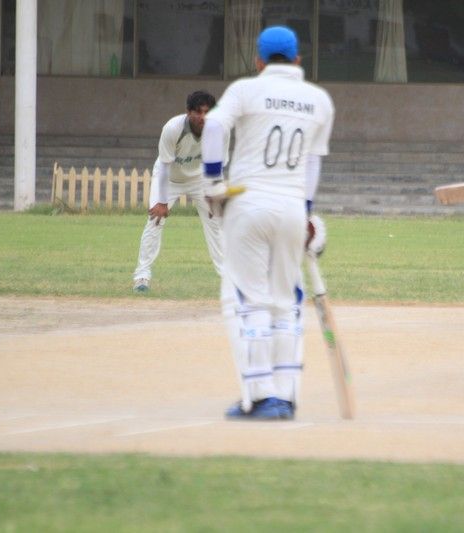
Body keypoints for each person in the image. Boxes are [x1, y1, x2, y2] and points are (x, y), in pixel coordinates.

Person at [201, 26, 335, 419]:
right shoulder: (319, 100)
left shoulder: (246, 89)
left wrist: (213, 181)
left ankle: (261, 397)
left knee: (246, 300)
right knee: (285, 302)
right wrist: (306, 211)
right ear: (297, 60)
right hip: (292, 206)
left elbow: (213, 126)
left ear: (258, 61)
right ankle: (286, 395)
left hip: (248, 203)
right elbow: (312, 162)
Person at [132, 91, 223, 293]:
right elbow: (164, 166)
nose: (203, 117)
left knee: (216, 222)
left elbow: (216, 165)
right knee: (155, 221)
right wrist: (162, 201)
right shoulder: (173, 128)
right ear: (188, 112)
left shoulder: (218, 130)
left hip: (199, 178)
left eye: (207, 112)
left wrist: (214, 193)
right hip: (169, 178)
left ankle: (229, 279)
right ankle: (142, 276)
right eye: (198, 112)